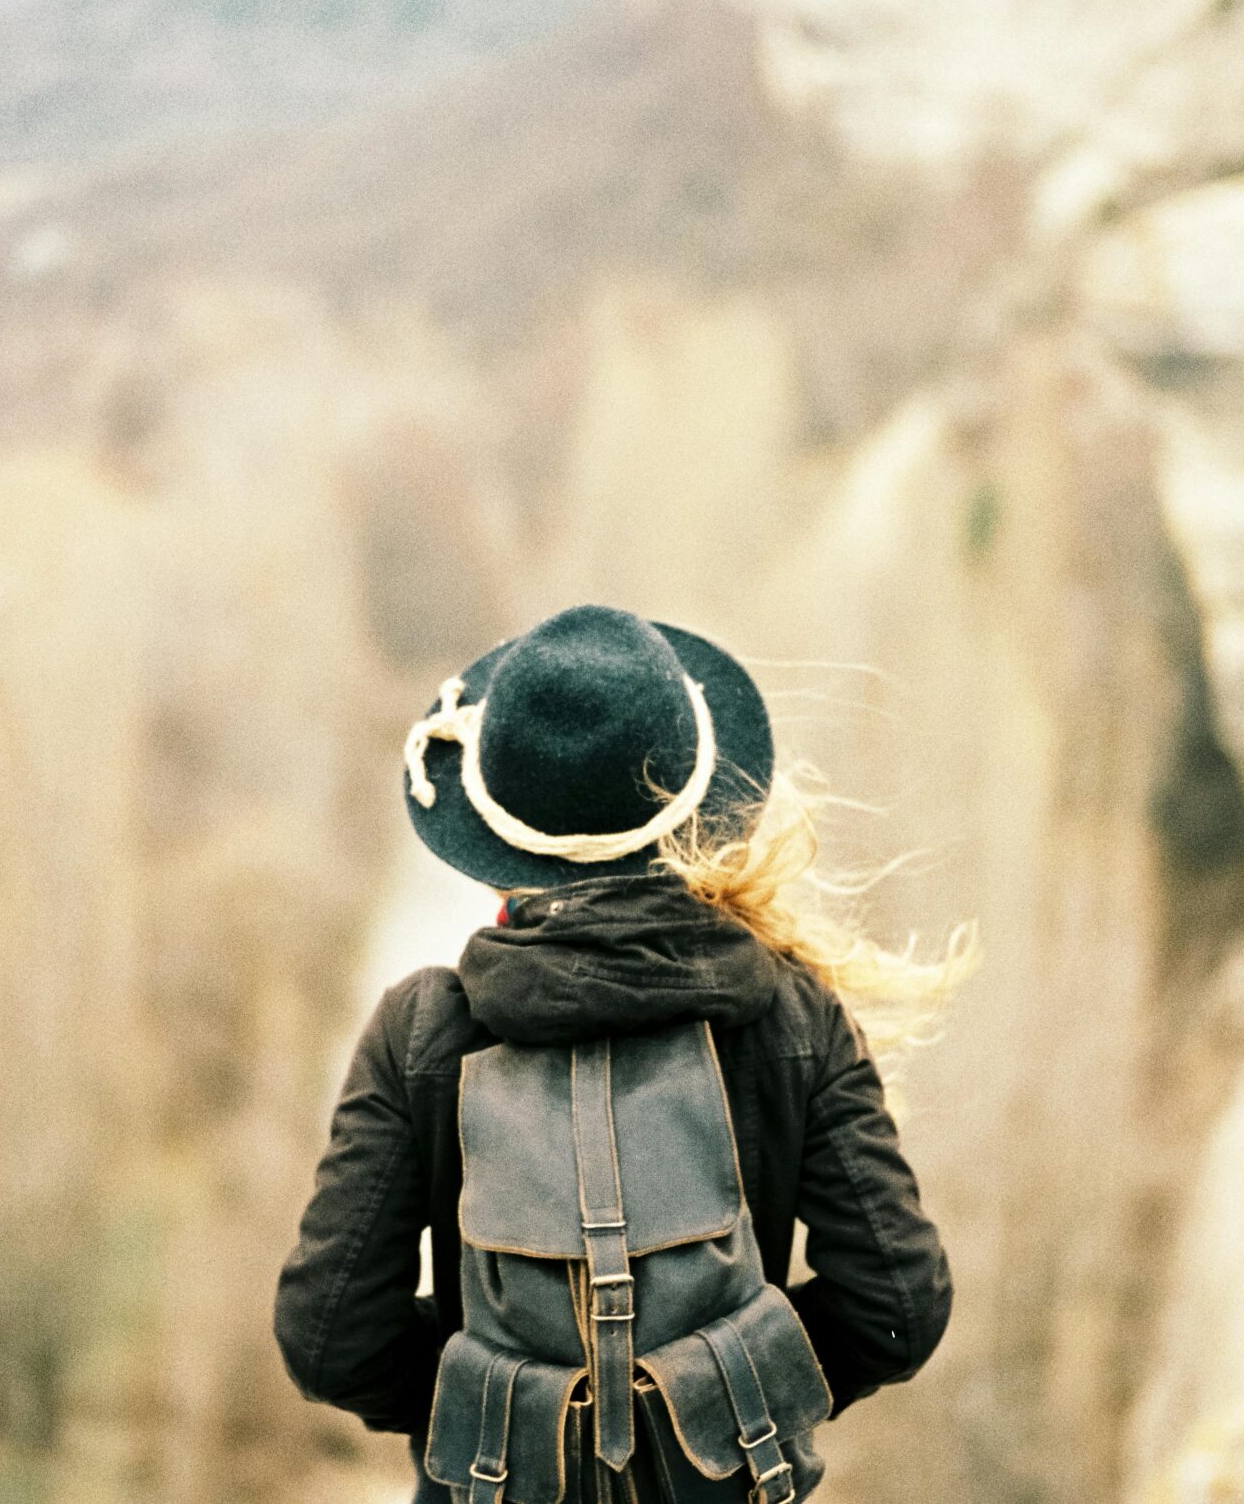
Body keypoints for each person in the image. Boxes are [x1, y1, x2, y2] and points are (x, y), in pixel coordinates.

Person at [274, 605, 966, 1502]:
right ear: (698, 811)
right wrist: (716, 1397)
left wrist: (511, 1410)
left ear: (498, 840)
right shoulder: (792, 1016)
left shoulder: (422, 1033)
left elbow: (330, 1339)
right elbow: (899, 1307)